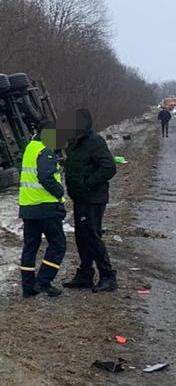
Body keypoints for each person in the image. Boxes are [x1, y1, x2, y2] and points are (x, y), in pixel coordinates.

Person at [62, 108, 118, 293]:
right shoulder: (73, 143)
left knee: (92, 235)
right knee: (81, 236)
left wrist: (88, 183)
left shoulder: (95, 141)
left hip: (93, 198)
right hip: (79, 198)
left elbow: (109, 167)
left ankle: (108, 276)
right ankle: (85, 274)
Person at [18, 119, 66, 299]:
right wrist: (59, 191)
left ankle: (28, 287)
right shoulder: (45, 150)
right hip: (45, 207)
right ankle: (44, 281)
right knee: (58, 244)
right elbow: (46, 177)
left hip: (28, 207)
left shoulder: (30, 147)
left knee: (30, 246)